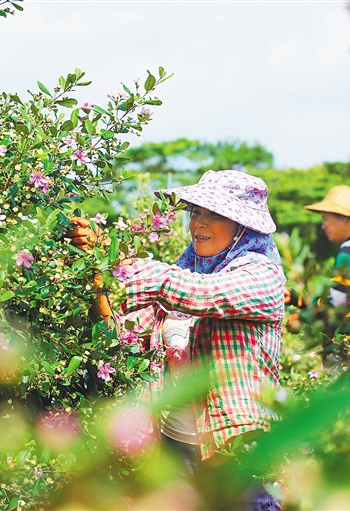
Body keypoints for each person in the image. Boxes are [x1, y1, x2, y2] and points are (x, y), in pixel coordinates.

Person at [69, 170, 284, 511]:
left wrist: (115, 255)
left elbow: (203, 294)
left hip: (235, 457)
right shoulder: (185, 270)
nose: (199, 222)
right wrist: (97, 276)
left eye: (215, 214)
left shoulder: (261, 276)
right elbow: (123, 334)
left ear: (243, 227)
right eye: (196, 211)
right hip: (174, 450)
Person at [286, 185, 350, 344]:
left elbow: (335, 303)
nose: (324, 226)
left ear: (344, 217)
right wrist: (297, 300)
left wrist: (301, 317)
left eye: (325, 218)